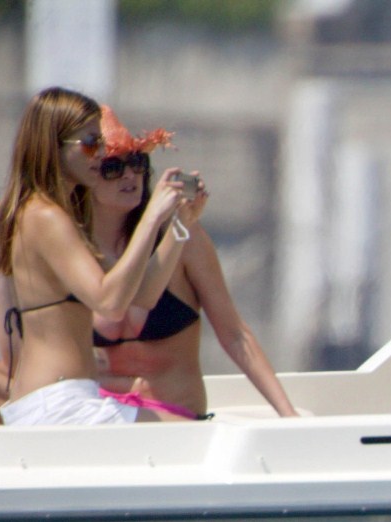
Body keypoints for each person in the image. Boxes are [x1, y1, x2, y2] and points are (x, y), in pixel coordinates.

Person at [0, 86, 206, 425]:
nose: (101, 154)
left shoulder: (52, 214)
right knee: (188, 437)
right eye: (90, 143)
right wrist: (152, 217)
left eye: (101, 143)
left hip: (63, 400)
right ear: (53, 146)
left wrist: (178, 224)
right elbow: (110, 303)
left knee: (185, 435)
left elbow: (141, 295)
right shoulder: (46, 216)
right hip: (59, 402)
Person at [92, 105, 300, 418]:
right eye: (113, 167)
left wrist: (288, 414)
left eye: (137, 163)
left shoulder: (180, 235)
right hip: (102, 411)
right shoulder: (75, 249)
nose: (130, 175)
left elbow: (234, 334)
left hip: (171, 413)